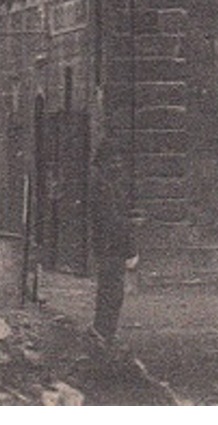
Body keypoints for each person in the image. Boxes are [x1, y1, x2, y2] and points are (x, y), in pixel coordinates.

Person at [89, 138, 139, 345]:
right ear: (103, 162)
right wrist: (131, 225)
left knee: (112, 293)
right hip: (110, 246)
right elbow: (110, 219)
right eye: (113, 162)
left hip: (111, 245)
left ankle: (105, 333)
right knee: (111, 293)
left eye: (120, 162)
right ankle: (103, 334)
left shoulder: (109, 185)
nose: (117, 166)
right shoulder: (103, 186)